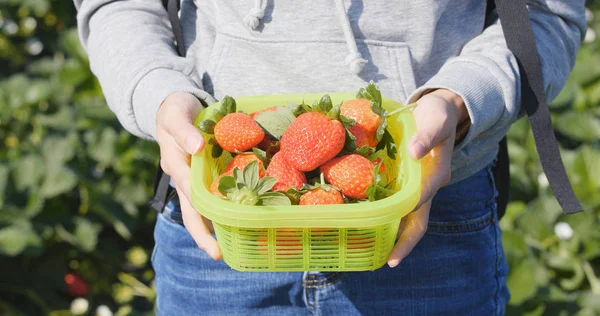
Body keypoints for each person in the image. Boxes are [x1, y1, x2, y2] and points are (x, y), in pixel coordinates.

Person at [74, 0, 586, 314]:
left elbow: (545, 11)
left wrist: (462, 100)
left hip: (427, 224)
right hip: (219, 227)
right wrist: (157, 92)